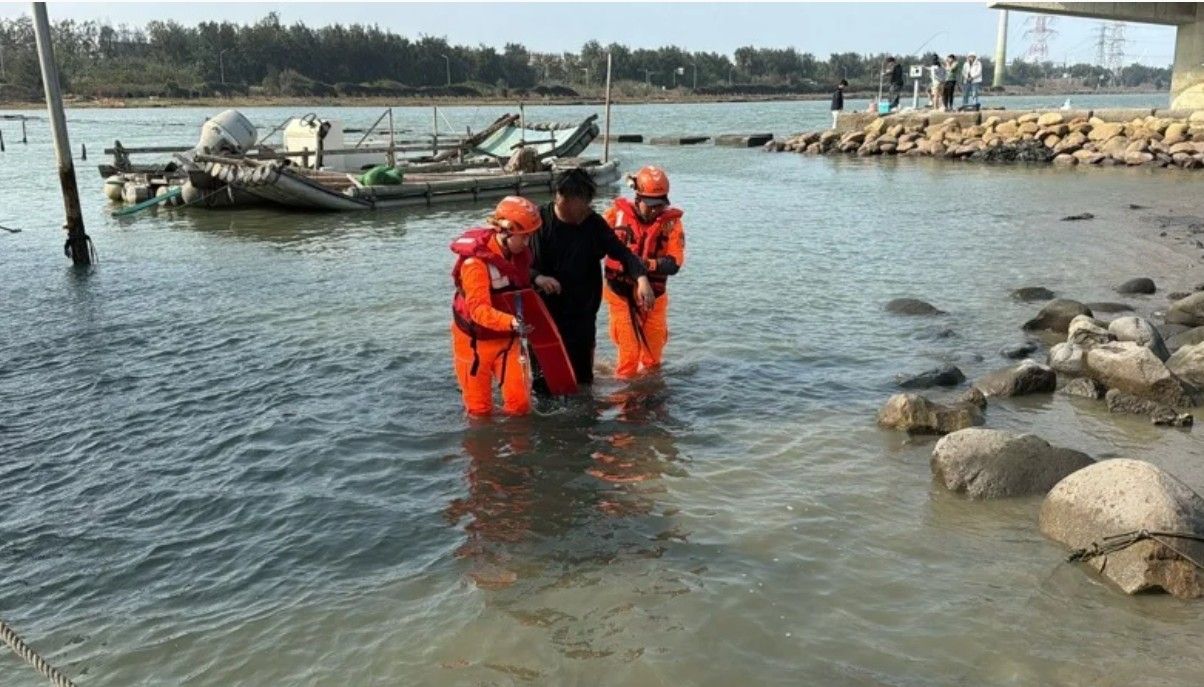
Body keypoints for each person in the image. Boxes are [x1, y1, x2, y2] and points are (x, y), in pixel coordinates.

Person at [529, 169, 654, 386]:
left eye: (589, 202)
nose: (587, 208)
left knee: (583, 379)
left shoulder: (593, 223)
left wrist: (642, 279)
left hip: (582, 313)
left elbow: (623, 253)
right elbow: (519, 267)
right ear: (561, 198)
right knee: (544, 380)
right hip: (545, 313)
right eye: (582, 202)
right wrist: (538, 278)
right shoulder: (539, 223)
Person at [449, 195, 542, 417]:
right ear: (507, 231)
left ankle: (520, 448)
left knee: (520, 405)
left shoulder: (516, 254)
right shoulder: (475, 264)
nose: (528, 243)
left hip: (507, 338)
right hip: (474, 342)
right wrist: (511, 321)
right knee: (479, 412)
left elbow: (517, 283)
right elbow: (478, 311)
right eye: (525, 237)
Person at [601, 166, 686, 379]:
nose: (655, 210)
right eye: (650, 205)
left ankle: (649, 398)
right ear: (637, 198)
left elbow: (674, 264)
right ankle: (623, 404)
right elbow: (593, 238)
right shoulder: (615, 214)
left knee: (653, 360)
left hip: (654, 297)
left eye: (659, 204)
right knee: (629, 356)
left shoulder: (672, 224)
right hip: (620, 292)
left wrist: (642, 266)